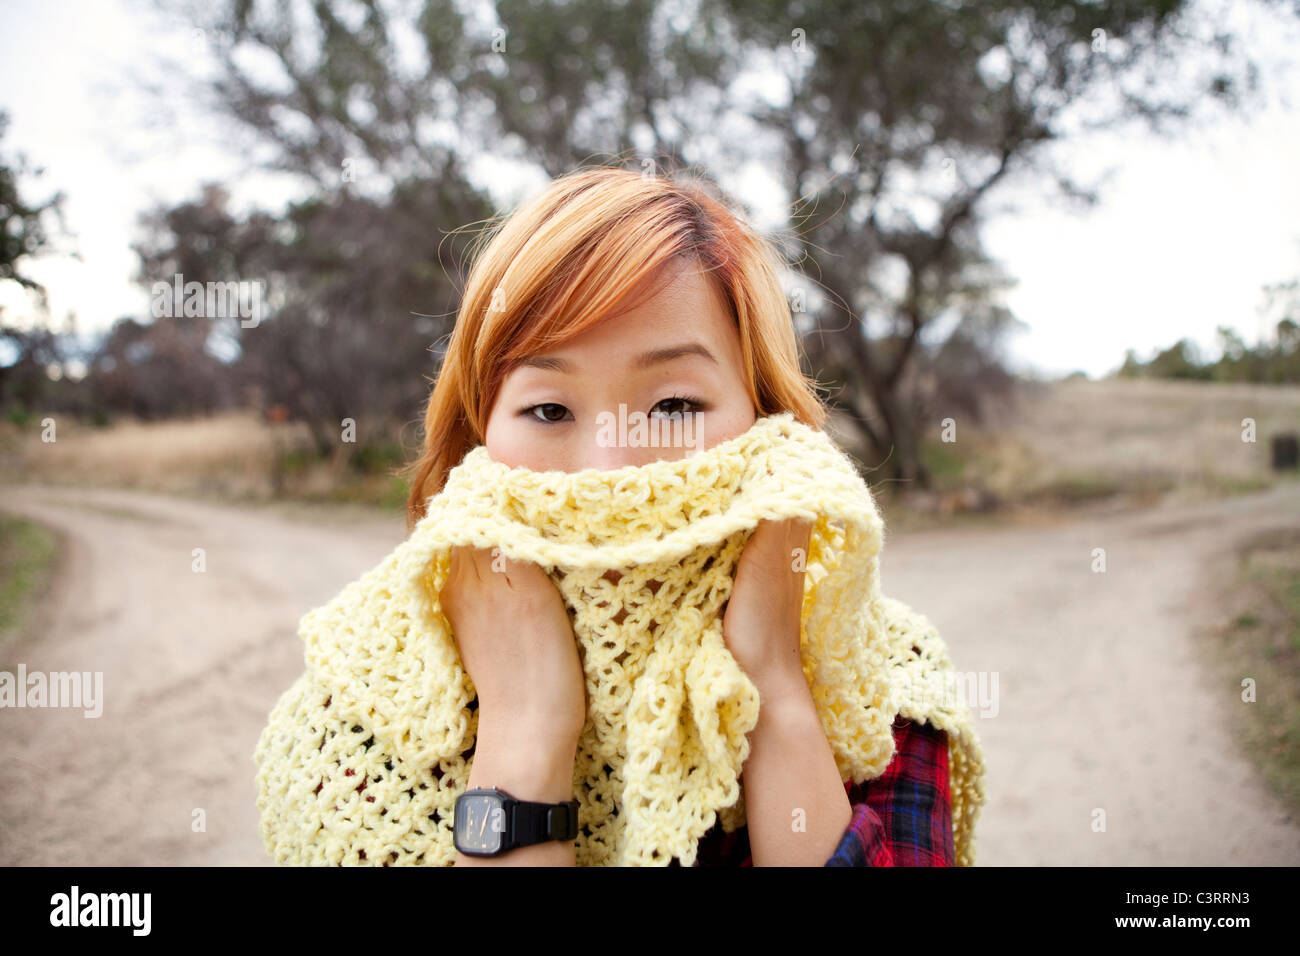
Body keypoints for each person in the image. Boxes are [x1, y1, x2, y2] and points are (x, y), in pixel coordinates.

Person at [400, 164, 955, 866]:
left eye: (674, 407)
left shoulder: (881, 689)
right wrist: (523, 732)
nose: (611, 470)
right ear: (480, 431)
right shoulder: (380, 692)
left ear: (766, 414)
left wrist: (775, 683)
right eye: (548, 409)